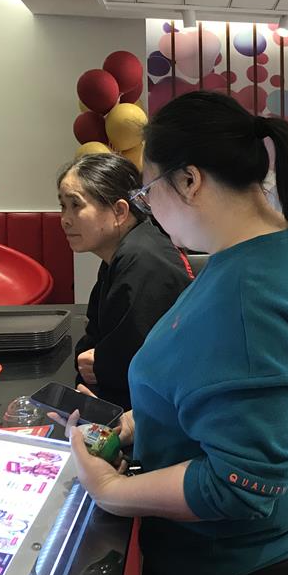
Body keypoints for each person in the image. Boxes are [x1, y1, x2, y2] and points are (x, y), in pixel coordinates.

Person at [59, 91, 288, 575]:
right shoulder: (277, 242)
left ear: (189, 181)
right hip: (279, 546)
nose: (149, 209)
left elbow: (242, 484)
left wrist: (113, 490)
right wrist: (146, 419)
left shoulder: (249, 298)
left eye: (149, 190)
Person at [57, 153, 191, 410]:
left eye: (76, 205)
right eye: (63, 206)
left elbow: (138, 362)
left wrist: (100, 364)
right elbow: (94, 343)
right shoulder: (123, 254)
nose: (65, 219)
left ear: (119, 211)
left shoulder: (144, 261)